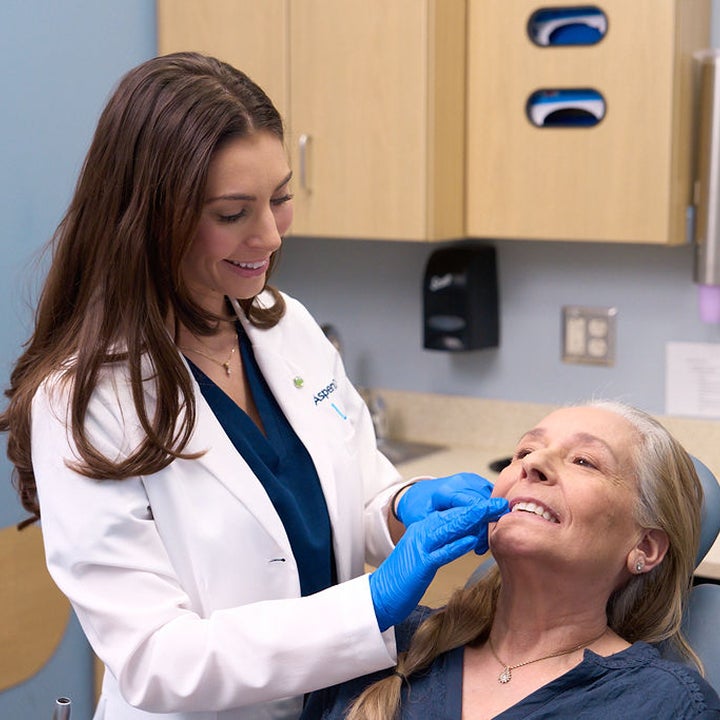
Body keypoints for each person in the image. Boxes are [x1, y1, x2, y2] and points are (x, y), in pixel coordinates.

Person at [0, 52, 508, 720]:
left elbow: (351, 490)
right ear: (152, 216)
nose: (268, 235)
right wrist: (372, 602)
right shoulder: (85, 402)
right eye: (233, 212)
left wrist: (403, 505)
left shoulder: (285, 326)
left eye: (280, 197)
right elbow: (159, 660)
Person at [302, 401, 720, 719]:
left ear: (645, 548)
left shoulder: (664, 703)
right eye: (523, 452)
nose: (532, 464)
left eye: (583, 461)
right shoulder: (381, 646)